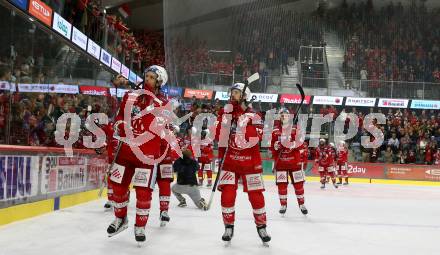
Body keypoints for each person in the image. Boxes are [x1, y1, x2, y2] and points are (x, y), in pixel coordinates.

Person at [106, 65, 169, 243]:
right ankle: (120, 218)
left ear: (159, 81)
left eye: (151, 77)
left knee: (143, 193)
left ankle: (140, 226)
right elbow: (118, 117)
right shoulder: (130, 96)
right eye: (146, 75)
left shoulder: (163, 103)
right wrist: (119, 126)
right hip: (125, 151)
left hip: (146, 155)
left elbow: (162, 128)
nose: (147, 79)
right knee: (117, 187)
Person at [214, 82, 271, 245]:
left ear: (245, 96)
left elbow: (254, 139)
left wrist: (240, 120)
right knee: (227, 195)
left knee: (256, 196)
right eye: (232, 92)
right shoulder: (226, 113)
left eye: (237, 93)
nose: (233, 95)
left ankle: (261, 226)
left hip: (250, 163)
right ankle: (228, 226)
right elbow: (219, 136)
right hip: (229, 161)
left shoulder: (255, 115)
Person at [270, 108, 308, 216]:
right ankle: (283, 204)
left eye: (285, 115)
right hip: (281, 163)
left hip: (294, 163)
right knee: (282, 185)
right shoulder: (275, 130)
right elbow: (271, 146)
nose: (283, 116)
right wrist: (276, 146)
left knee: (298, 185)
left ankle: (301, 204)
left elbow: (301, 144)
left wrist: (290, 144)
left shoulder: (296, 129)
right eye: (281, 115)